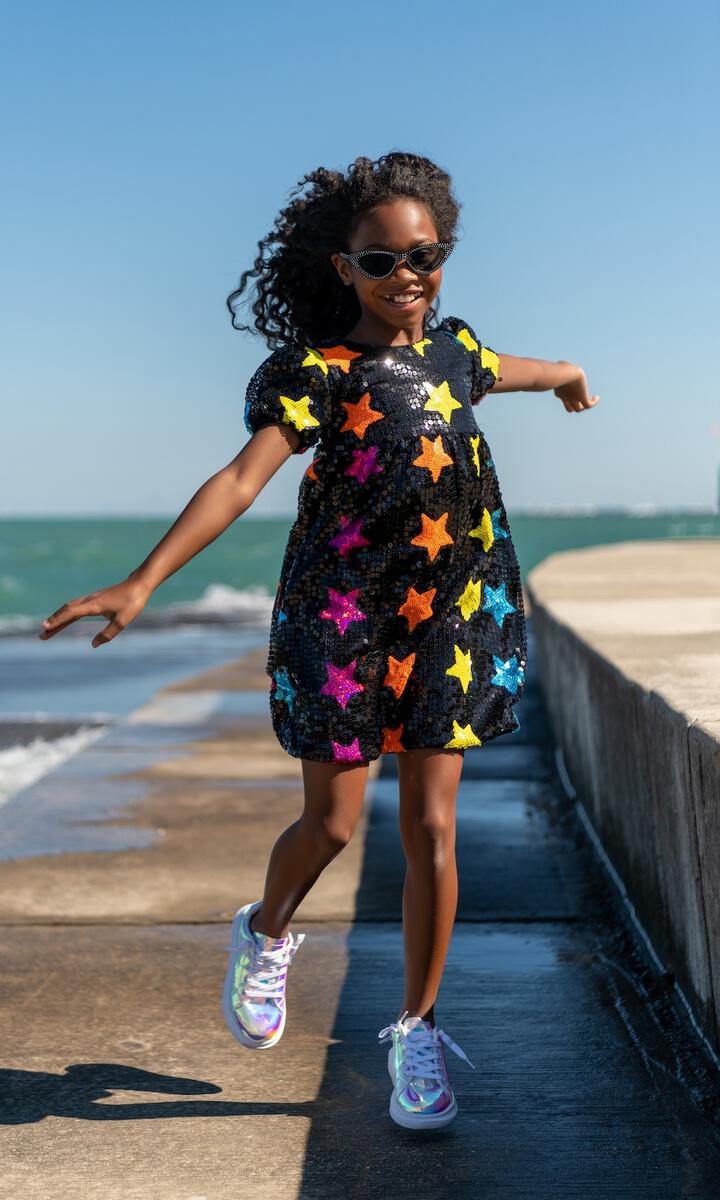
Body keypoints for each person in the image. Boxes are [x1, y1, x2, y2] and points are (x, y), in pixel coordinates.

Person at [38, 151, 599, 1132]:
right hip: (341, 622)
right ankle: (265, 928)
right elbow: (238, 480)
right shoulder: (315, 373)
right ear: (344, 269)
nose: (404, 278)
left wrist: (570, 376)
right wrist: (142, 579)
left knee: (431, 829)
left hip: (450, 622)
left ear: (443, 254)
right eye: (379, 263)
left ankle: (415, 1031)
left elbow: (520, 368)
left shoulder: (455, 351)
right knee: (333, 827)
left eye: (422, 256)